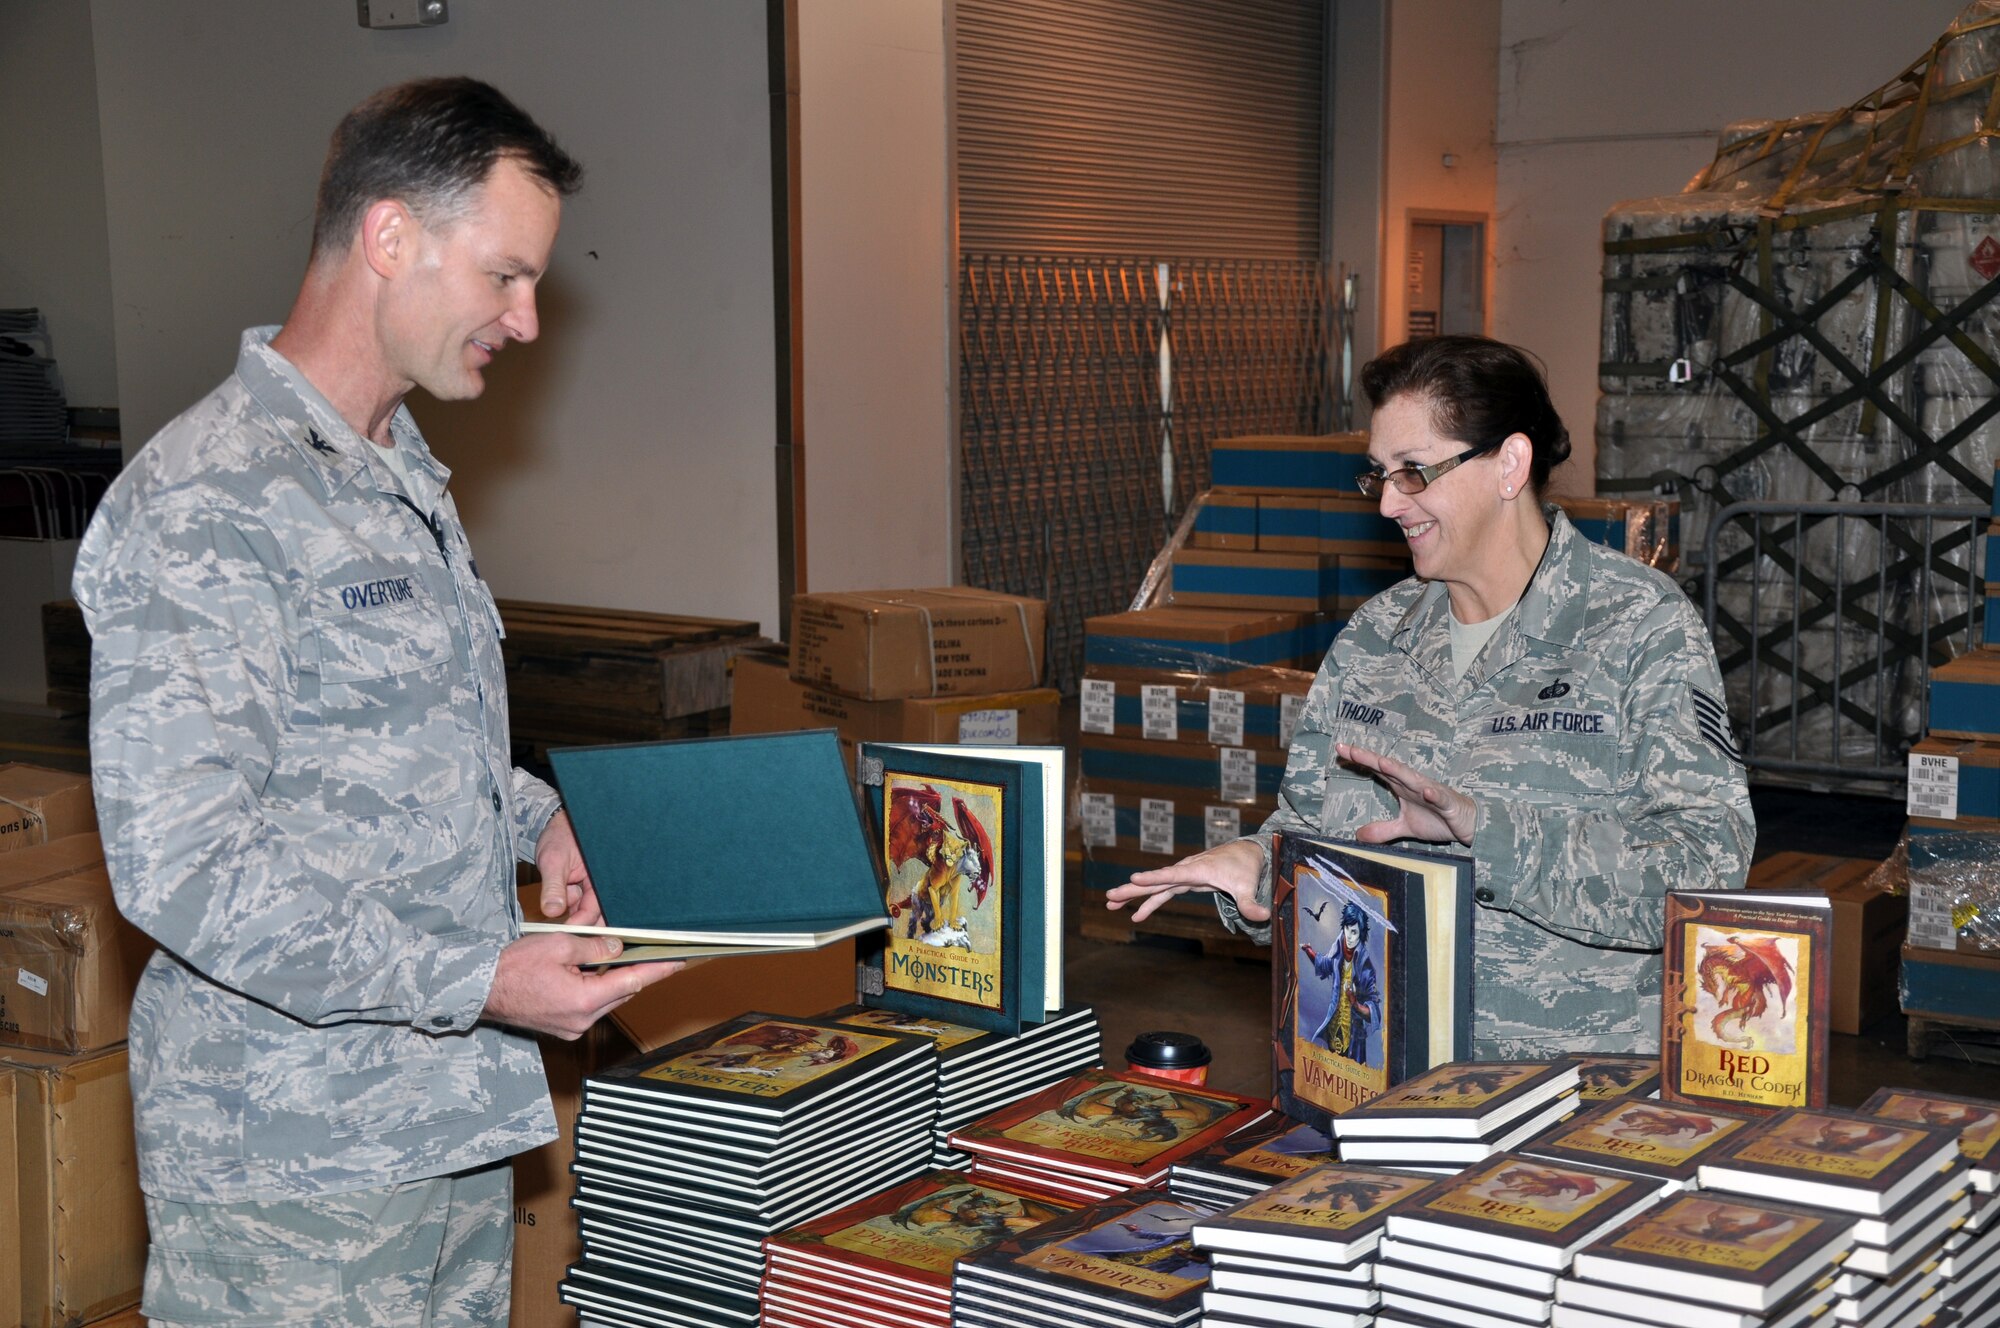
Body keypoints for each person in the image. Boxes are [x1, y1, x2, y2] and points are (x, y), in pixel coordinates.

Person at [72, 78, 680, 1326]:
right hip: (290, 1170)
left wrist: (541, 821)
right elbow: (185, 866)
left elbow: (396, 746)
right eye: (505, 277)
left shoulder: (395, 471)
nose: (525, 322)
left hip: (441, 1127)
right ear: (390, 236)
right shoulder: (206, 502)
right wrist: (482, 973)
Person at [1108, 335, 1753, 1057]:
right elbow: (1312, 828)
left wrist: (1484, 829)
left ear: (1509, 465)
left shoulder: (1639, 627)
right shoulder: (1376, 636)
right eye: (1378, 475)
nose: (1387, 502)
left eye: (1414, 472)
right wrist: (1259, 862)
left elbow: (1706, 868)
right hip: (1379, 1079)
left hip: (1568, 1104)